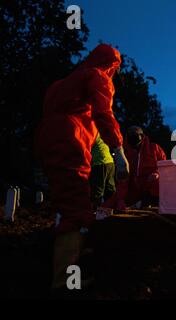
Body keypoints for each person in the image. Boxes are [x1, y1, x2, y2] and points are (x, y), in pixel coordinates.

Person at [36, 44, 129, 289]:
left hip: (47, 140)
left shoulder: (60, 84)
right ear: (112, 65)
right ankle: (65, 282)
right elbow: (103, 113)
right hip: (70, 141)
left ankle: (66, 263)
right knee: (76, 211)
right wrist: (118, 150)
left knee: (65, 204)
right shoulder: (98, 77)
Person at [103, 126, 166, 209]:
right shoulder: (124, 153)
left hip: (150, 187)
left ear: (142, 136)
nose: (133, 138)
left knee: (157, 183)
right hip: (133, 190)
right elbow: (123, 180)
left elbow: (165, 167)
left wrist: (157, 173)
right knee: (111, 204)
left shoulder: (154, 148)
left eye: (135, 135)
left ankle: (148, 203)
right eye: (130, 136)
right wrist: (120, 199)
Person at [89, 134, 116, 208]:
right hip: (110, 162)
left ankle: (95, 212)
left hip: (99, 163)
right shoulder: (101, 133)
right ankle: (111, 211)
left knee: (97, 190)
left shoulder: (91, 132)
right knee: (110, 189)